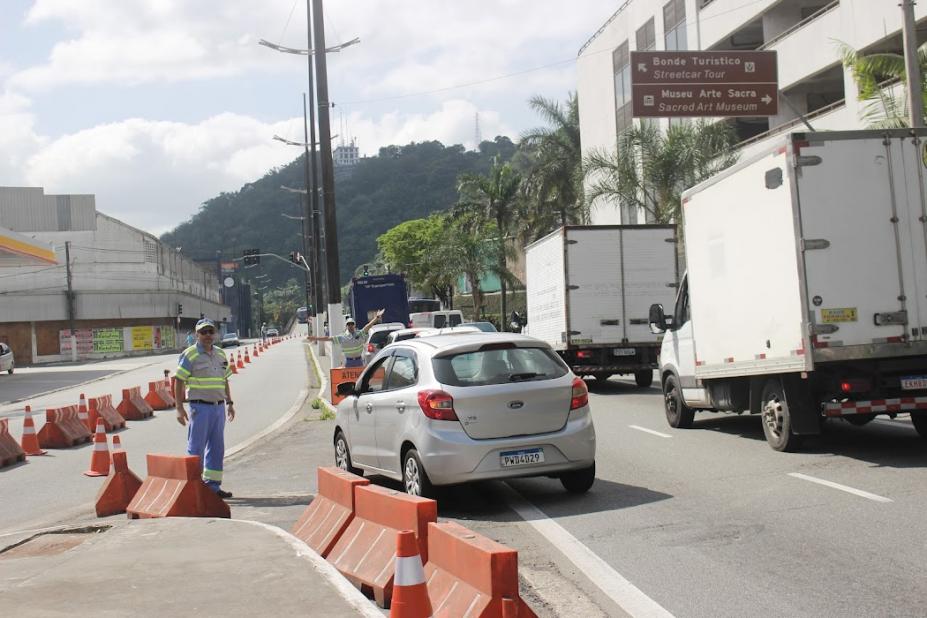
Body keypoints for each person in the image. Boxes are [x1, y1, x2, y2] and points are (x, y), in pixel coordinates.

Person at [173, 318, 235, 499]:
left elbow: (224, 380)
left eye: (210, 332)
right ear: (196, 334)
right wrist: (179, 407)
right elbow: (178, 380)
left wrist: (230, 403)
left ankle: (212, 487)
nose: (208, 335)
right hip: (199, 408)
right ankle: (193, 487)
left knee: (217, 448)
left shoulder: (221, 354)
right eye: (203, 332)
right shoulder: (190, 354)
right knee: (196, 449)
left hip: (218, 408)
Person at [308, 309, 384, 367]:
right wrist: (315, 338)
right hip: (348, 362)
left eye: (352, 324)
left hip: (359, 361)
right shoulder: (342, 337)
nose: (350, 326)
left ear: (354, 325)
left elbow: (368, 326)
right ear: (346, 326)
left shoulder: (360, 333)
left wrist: (376, 318)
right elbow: (328, 338)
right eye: (349, 324)